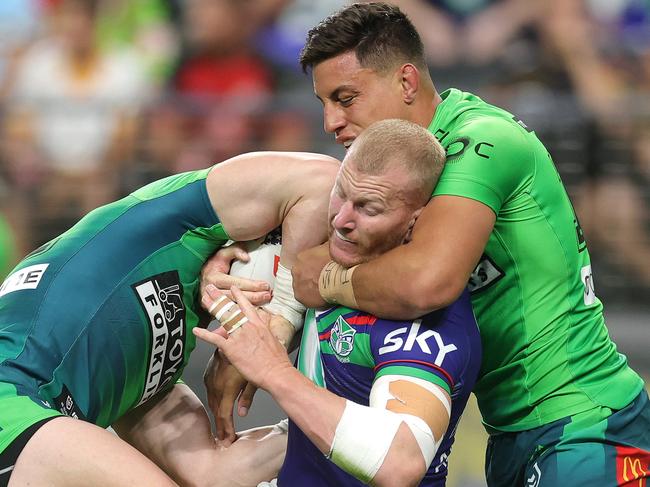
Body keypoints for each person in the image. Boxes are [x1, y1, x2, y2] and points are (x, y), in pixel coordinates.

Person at [204, 3, 650, 485]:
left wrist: (319, 283)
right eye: (323, 103)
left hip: (586, 422)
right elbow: (304, 257)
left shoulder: (483, 140)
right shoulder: (391, 185)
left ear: (407, 82)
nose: (332, 121)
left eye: (346, 97)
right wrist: (257, 302)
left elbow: (424, 282)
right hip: (514, 433)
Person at [0, 150, 339, 486]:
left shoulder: (150, 370)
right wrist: (282, 315)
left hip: (36, 430)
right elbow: (322, 179)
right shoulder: (162, 218)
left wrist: (349, 416)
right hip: (11, 403)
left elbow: (214, 475)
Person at [196, 119, 482, 487]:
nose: (342, 219)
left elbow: (401, 463)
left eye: (369, 208)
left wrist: (272, 368)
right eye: (341, 193)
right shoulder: (331, 255)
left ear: (415, 222)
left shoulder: (424, 326)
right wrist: (213, 264)